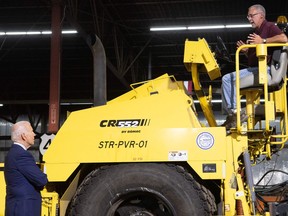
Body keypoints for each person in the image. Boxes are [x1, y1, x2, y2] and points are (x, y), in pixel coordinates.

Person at [221, 4, 288, 129]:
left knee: (227, 79)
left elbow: (284, 38)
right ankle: (233, 114)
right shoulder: (257, 32)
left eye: (252, 15)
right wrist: (247, 52)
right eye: (248, 16)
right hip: (256, 68)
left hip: (264, 69)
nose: (249, 18)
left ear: (261, 16)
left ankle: (234, 113)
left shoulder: (269, 26)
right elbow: (254, 60)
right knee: (228, 79)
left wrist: (262, 41)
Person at [4, 121, 48, 216]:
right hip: (24, 209)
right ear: (24, 136)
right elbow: (41, 180)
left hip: (18, 207)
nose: (34, 134)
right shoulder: (21, 155)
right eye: (31, 131)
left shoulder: (13, 153)